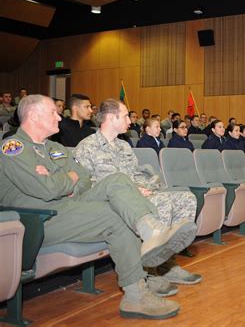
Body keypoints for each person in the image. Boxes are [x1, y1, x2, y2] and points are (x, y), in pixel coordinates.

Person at [1, 95, 196, 320]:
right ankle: (136, 293)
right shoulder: (13, 147)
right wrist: (67, 179)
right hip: (42, 219)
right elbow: (47, 190)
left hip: (70, 206)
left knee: (117, 180)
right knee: (114, 215)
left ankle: (150, 230)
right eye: (53, 112)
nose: (59, 117)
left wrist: (63, 179)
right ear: (33, 116)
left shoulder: (55, 147)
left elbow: (83, 178)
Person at [74, 98, 201, 287]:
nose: (130, 121)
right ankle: (151, 272)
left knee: (187, 198)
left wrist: (146, 187)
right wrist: (135, 190)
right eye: (125, 116)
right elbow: (87, 185)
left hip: (137, 195)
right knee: (163, 203)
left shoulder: (124, 146)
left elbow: (135, 174)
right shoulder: (87, 146)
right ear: (111, 117)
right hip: (114, 202)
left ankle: (166, 264)